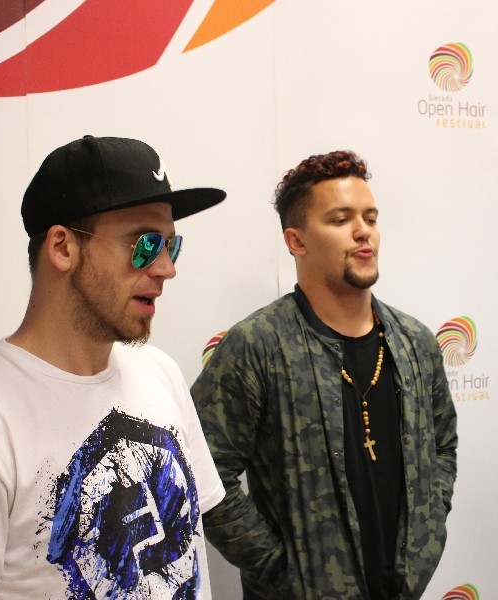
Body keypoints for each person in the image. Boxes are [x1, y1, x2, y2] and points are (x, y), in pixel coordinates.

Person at [0, 136, 228, 598]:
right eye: (145, 244)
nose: (165, 268)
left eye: (171, 246)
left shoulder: (161, 374)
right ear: (62, 247)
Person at [191, 150, 458, 599]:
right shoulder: (257, 346)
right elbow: (202, 470)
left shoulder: (416, 342)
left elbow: (443, 446)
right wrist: (280, 570)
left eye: (370, 218)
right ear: (296, 242)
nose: (363, 231)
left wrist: (427, 535)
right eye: (340, 219)